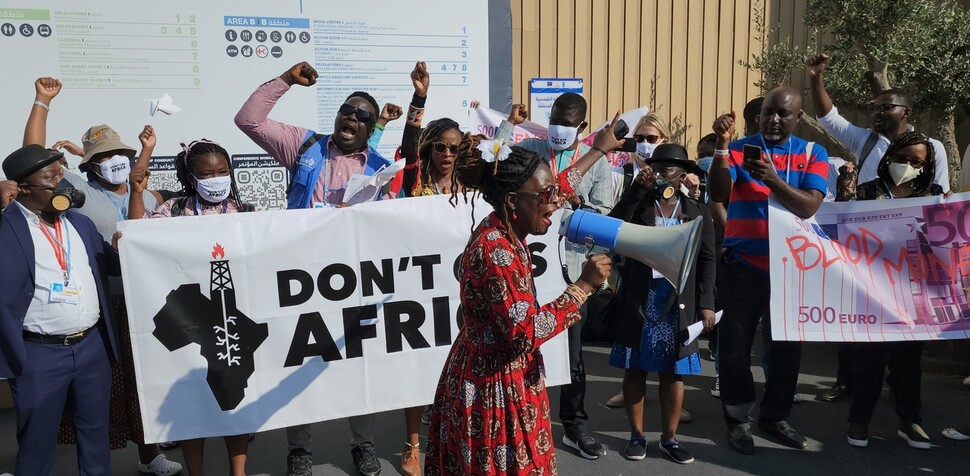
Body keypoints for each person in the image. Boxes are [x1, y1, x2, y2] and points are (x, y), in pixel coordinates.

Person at [425, 113, 623, 474]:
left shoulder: (509, 220)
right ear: (514, 201)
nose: (557, 201)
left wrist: (597, 150)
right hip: (494, 390)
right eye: (546, 197)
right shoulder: (495, 249)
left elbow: (555, 186)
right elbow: (524, 332)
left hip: (503, 378)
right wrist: (582, 287)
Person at [235, 60, 389, 476]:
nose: (351, 118)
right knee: (300, 359)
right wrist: (286, 80)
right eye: (346, 110)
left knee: (358, 364)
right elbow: (248, 120)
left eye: (362, 117)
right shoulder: (304, 145)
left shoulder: (381, 168)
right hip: (302, 275)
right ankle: (299, 449)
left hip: (354, 280)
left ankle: (363, 444)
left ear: (371, 128)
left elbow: (391, 225)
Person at [22, 76, 183, 476]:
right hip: (102, 304)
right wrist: (42, 102)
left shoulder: (144, 193)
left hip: (143, 301)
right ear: (89, 164)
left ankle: (149, 457)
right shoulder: (75, 188)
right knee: (105, 390)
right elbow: (34, 155)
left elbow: (139, 187)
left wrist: (146, 150)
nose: (116, 162)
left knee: (141, 383)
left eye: (122, 155)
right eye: (105, 156)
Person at [708, 86, 829, 455]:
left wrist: (772, 178)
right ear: (759, 116)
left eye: (784, 114)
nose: (775, 120)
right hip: (743, 265)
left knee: (786, 349)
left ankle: (775, 417)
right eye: (769, 113)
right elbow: (717, 193)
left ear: (797, 118)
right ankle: (738, 420)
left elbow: (808, 206)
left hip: (791, 268)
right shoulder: (740, 148)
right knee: (734, 349)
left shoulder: (813, 153)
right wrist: (720, 146)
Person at [496, 93, 613, 459]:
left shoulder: (598, 164)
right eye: (555, 121)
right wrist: (508, 125)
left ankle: (574, 425)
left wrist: (581, 208)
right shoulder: (531, 146)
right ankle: (519, 419)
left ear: (582, 126)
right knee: (521, 345)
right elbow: (497, 161)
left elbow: (604, 213)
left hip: (570, 271)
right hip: (527, 267)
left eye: (567, 124)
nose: (558, 129)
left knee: (572, 355)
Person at [127, 139, 255, 475]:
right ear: (191, 177)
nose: (216, 178)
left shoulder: (247, 213)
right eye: (207, 173)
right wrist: (137, 195)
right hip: (191, 322)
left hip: (232, 320)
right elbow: (138, 239)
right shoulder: (173, 209)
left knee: (234, 399)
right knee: (192, 401)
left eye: (223, 171)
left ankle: (237, 471)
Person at [1, 144, 121, 476]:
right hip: (38, 355)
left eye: (62, 172)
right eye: (52, 176)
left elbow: (110, 266)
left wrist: (125, 249)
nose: (63, 182)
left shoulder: (80, 224)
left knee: (96, 436)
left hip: (91, 349)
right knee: (37, 444)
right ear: (25, 187)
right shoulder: (6, 227)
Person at [607, 144, 716, 464]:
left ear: (684, 174)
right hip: (641, 297)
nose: (663, 172)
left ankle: (670, 439)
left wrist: (707, 303)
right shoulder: (640, 200)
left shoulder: (696, 208)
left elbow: (708, 258)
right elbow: (613, 227)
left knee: (673, 372)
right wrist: (634, 192)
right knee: (635, 368)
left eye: (671, 168)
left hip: (677, 302)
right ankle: (637, 436)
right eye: (658, 166)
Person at [835, 131, 940, 450]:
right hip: (872, 292)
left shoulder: (934, 196)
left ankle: (910, 420)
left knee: (908, 362)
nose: (907, 165)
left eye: (916, 161)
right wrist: (845, 189)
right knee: (868, 359)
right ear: (889, 157)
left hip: (913, 293)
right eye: (901, 157)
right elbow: (840, 227)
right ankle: (859, 420)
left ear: (925, 166)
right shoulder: (865, 193)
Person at [806, 53, 950, 192]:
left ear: (906, 112)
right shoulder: (865, 141)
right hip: (869, 216)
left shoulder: (932, 147)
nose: (878, 112)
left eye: (886, 107)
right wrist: (815, 78)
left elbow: (940, 195)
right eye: (875, 108)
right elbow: (829, 120)